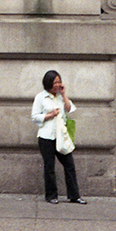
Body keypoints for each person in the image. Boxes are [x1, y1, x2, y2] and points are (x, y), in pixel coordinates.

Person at [31, 70, 85, 204]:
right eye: (54, 82)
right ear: (48, 83)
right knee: (49, 167)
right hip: (46, 137)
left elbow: (69, 109)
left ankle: (74, 195)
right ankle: (51, 196)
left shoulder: (60, 96)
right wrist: (50, 115)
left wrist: (64, 94)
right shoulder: (41, 97)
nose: (57, 85)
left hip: (61, 137)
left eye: (59, 82)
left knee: (69, 165)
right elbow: (34, 116)